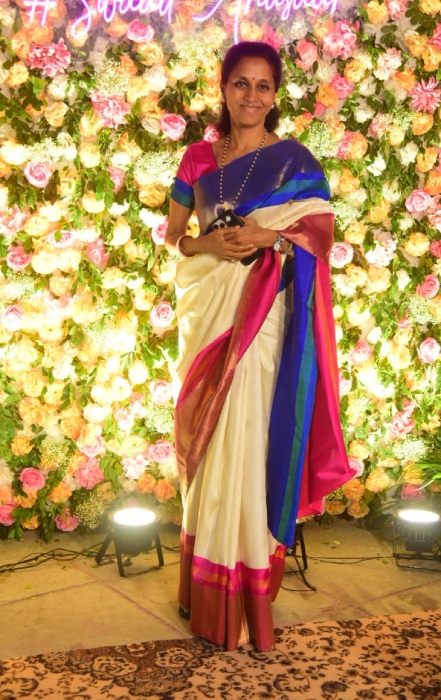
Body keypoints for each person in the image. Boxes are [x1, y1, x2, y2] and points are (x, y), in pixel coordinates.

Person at [165, 41, 353, 651]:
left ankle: (244, 579)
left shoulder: (294, 160)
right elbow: (173, 237)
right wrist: (207, 245)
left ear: (275, 96)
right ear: (224, 89)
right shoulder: (197, 158)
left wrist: (268, 234)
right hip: (209, 311)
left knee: (246, 434)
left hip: (262, 314)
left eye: (263, 85)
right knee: (211, 437)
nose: (251, 95)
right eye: (241, 84)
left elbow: (318, 232)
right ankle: (205, 580)